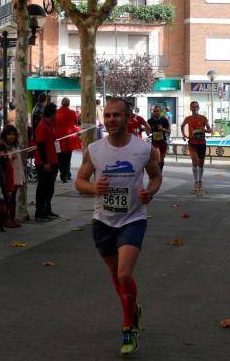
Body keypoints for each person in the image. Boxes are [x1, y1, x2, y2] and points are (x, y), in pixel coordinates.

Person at [75, 97, 162, 355]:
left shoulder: (143, 149)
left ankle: (128, 328)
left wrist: (151, 192)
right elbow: (80, 181)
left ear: (128, 117)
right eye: (108, 115)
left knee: (124, 274)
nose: (112, 120)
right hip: (103, 221)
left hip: (133, 218)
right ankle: (133, 309)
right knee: (116, 277)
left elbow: (156, 176)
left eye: (117, 115)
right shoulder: (95, 149)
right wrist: (93, 188)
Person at [34, 103, 60, 220]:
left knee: (50, 187)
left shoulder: (51, 125)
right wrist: (45, 162)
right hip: (44, 162)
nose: (57, 115)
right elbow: (40, 145)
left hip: (53, 159)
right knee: (43, 187)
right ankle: (40, 212)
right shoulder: (42, 125)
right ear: (52, 113)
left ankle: (47, 209)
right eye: (56, 112)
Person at [181, 101, 212, 194]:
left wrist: (205, 130)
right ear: (190, 108)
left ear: (198, 108)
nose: (194, 108)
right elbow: (182, 126)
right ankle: (196, 182)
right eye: (193, 107)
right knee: (195, 161)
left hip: (202, 143)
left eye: (196, 106)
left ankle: (200, 181)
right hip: (192, 143)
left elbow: (210, 130)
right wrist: (184, 135)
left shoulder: (203, 118)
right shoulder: (188, 118)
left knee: (201, 164)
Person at [1, 125, 24, 227]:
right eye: (9, 134)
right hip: (8, 176)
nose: (11, 136)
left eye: (13, 134)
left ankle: (12, 219)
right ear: (4, 135)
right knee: (7, 198)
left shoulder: (16, 145)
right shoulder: (1, 146)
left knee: (13, 197)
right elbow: (1, 160)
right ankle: (5, 220)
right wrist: (10, 157)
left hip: (17, 174)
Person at [55, 97, 81, 183]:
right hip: (69, 138)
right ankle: (66, 174)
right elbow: (75, 123)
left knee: (60, 158)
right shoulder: (72, 113)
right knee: (67, 158)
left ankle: (64, 174)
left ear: (62, 103)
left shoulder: (56, 113)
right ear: (69, 104)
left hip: (59, 138)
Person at [147, 105, 171, 171]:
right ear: (153, 112)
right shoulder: (150, 121)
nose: (156, 112)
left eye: (157, 111)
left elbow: (169, 131)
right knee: (157, 158)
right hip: (155, 142)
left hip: (163, 142)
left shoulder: (164, 120)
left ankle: (160, 173)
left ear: (160, 112)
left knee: (161, 160)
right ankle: (158, 174)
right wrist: (148, 130)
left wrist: (163, 129)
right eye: (155, 111)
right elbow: (148, 133)